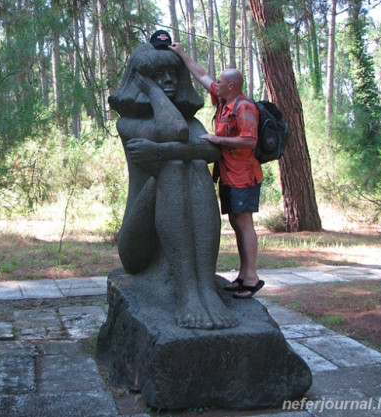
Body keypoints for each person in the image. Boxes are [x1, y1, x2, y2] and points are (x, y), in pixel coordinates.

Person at [108, 33, 238, 329]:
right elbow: (175, 130)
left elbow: (210, 150)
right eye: (158, 75)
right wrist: (152, 91)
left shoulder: (193, 122)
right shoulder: (128, 123)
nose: (168, 80)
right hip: (139, 246)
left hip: (179, 210)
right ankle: (188, 293)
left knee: (191, 163)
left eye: (173, 74)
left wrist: (161, 151)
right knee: (174, 163)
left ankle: (205, 287)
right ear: (141, 80)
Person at [169, 42, 265, 299]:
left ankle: (252, 277)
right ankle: (244, 276)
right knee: (237, 222)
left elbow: (249, 140)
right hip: (228, 173)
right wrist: (181, 53)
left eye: (221, 81)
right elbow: (202, 75)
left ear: (232, 86)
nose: (216, 84)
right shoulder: (224, 101)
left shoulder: (243, 107)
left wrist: (216, 140)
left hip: (244, 175)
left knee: (244, 223)